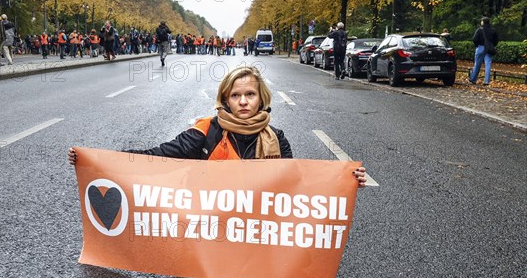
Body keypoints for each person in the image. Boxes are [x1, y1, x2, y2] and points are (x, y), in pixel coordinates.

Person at [68, 66, 367, 187]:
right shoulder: (206, 131)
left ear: (261, 98)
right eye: (235, 96)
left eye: (250, 94)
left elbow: (294, 183)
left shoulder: (277, 137)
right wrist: (100, 159)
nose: (243, 102)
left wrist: (345, 179)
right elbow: (159, 155)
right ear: (225, 100)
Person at [469, 17, 499, 86]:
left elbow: (474, 39)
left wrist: (477, 45)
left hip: (480, 47)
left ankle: (473, 79)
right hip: (489, 48)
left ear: (483, 22)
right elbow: (496, 40)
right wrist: (492, 45)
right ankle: (486, 81)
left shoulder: (479, 30)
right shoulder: (493, 30)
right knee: (488, 64)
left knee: (477, 64)